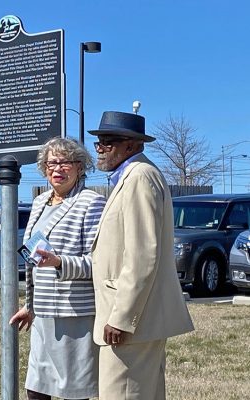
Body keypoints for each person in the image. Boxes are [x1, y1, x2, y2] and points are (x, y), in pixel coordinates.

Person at [88, 111, 195, 399]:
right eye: (98, 142)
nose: (99, 148)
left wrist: (122, 317)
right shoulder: (132, 176)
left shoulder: (139, 177)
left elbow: (142, 254)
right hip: (137, 321)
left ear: (132, 146)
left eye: (108, 142)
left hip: (131, 322)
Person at [9, 137, 106, 400]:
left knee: (73, 392)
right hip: (42, 315)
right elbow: (32, 260)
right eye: (51, 163)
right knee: (36, 390)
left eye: (65, 162)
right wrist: (29, 306)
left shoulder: (91, 203)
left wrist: (61, 262)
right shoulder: (40, 202)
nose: (57, 169)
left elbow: (98, 262)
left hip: (74, 315)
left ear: (80, 166)